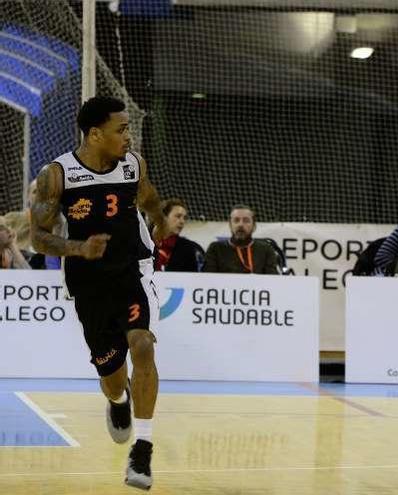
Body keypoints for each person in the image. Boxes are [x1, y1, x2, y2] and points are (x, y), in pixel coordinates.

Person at [29, 96, 169, 490]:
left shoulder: (133, 164)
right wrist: (78, 248)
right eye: (121, 129)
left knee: (143, 345)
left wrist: (157, 219)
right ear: (95, 134)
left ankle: (142, 448)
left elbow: (147, 195)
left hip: (134, 270)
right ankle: (118, 401)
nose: (129, 135)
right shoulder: (57, 175)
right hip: (89, 281)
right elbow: (38, 238)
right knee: (111, 374)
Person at [203, 205, 281, 274]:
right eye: (236, 220)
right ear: (230, 225)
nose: (240, 224)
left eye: (246, 220)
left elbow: (272, 281)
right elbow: (208, 280)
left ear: (254, 226)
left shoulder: (266, 249)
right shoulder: (215, 249)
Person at [153, 198, 205, 272]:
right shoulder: (147, 243)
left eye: (184, 218)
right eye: (178, 216)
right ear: (163, 217)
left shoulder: (190, 248)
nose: (182, 221)